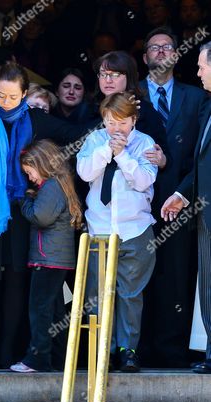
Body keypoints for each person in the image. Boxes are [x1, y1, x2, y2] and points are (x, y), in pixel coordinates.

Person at [0, 61, 96, 369]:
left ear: (24, 94)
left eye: (12, 97)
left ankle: (8, 353)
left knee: (17, 284)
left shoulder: (36, 120)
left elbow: (76, 135)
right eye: (1, 95)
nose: (5, 102)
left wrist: (113, 120)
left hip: (22, 215)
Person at [139, 26, 208, 368]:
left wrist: (185, 190)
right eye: (155, 48)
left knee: (177, 277)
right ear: (145, 57)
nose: (162, 52)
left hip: (182, 202)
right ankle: (135, 348)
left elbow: (202, 155)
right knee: (136, 276)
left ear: (178, 55)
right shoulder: (132, 95)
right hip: (137, 204)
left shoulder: (196, 97)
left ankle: (171, 352)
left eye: (168, 47)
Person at [77, 92, 158, 372]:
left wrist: (123, 155)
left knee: (130, 294)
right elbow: (85, 172)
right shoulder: (94, 140)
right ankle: (102, 350)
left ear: (133, 120)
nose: (116, 129)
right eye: (110, 122)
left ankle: (128, 350)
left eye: (122, 122)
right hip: (99, 228)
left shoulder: (145, 143)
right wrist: (107, 152)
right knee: (97, 294)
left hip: (135, 230)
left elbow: (144, 180)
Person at [10, 139, 82, 373]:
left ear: (41, 164)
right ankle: (59, 359)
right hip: (56, 260)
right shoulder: (60, 184)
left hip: (47, 260)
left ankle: (37, 358)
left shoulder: (51, 187)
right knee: (55, 311)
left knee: (40, 309)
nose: (29, 178)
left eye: (29, 172)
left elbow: (41, 217)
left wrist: (24, 200)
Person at [161, 41, 211, 374]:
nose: (198, 72)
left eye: (202, 65)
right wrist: (182, 194)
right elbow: (203, 163)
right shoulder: (209, 107)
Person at [93, 50, 168, 170]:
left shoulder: (145, 111)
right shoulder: (90, 108)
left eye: (115, 75)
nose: (108, 80)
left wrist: (162, 160)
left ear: (129, 76)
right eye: (103, 74)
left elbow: (165, 156)